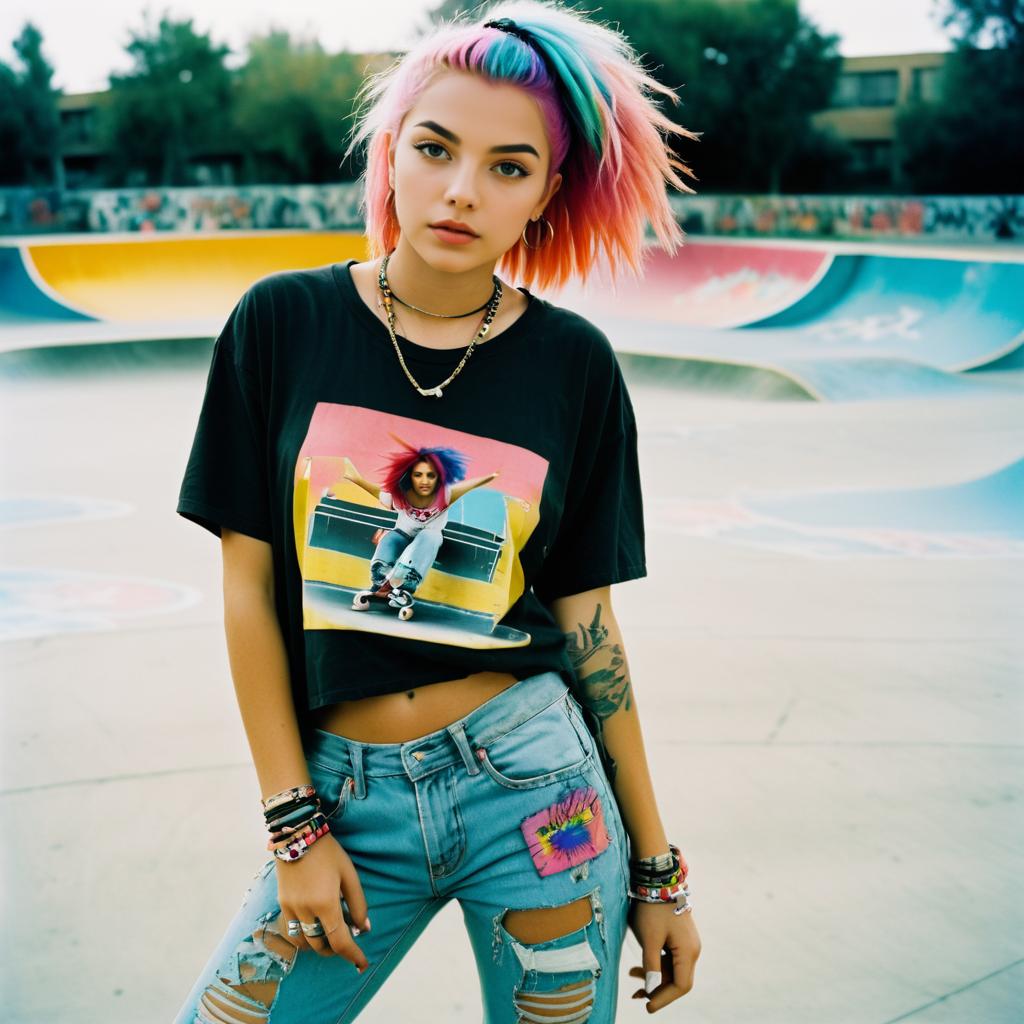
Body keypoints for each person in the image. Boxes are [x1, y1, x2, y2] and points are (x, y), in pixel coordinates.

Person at [172, 2, 702, 1020]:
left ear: (548, 193)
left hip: (539, 793)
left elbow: (588, 628)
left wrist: (656, 866)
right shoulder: (281, 323)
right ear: (391, 150)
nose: (461, 191)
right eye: (435, 147)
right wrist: (294, 823)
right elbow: (247, 584)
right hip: (341, 800)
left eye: (508, 167)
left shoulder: (572, 365)